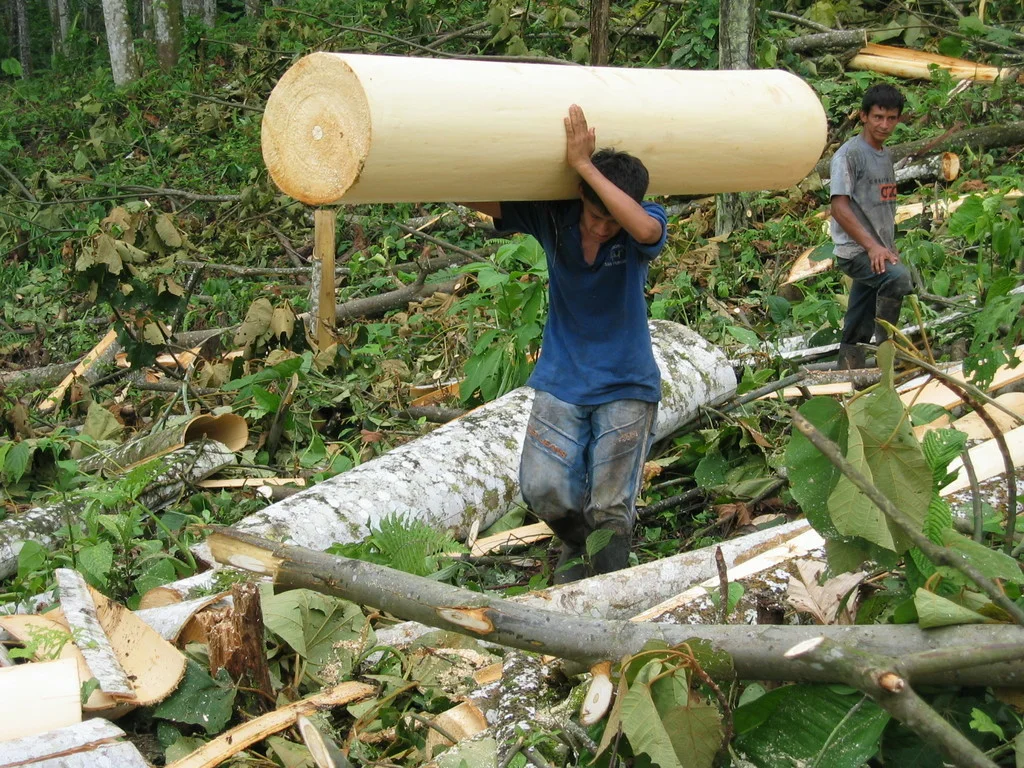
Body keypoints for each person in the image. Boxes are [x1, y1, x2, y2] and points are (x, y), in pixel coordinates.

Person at [467, 104, 668, 583]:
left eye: (611, 219)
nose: (601, 227)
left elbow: (642, 228)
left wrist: (583, 164)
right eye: (595, 214)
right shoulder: (554, 219)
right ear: (580, 197)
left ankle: (602, 596)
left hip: (626, 382)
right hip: (562, 375)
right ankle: (578, 553)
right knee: (543, 489)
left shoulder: (642, 224)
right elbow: (474, 197)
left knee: (610, 506)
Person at [829, 83, 914, 370]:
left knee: (862, 306)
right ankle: (886, 351)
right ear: (864, 116)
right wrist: (873, 246)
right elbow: (839, 207)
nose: (884, 125)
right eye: (878, 117)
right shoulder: (849, 155)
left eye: (891, 118)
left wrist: (887, 247)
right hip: (856, 249)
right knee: (898, 279)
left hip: (877, 248)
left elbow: (882, 206)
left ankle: (849, 363)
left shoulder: (884, 155)